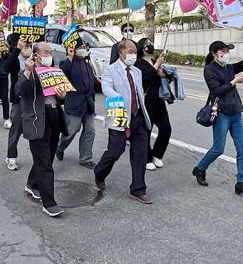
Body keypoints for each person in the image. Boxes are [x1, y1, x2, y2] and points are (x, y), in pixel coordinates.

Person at [192, 35, 243, 201]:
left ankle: (242, 182)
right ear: (215, 54)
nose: (226, 53)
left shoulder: (229, 68)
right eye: (223, 51)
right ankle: (200, 168)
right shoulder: (210, 70)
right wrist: (234, 81)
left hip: (235, 111)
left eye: (227, 51)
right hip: (221, 113)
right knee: (218, 148)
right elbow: (217, 90)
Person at [94, 39, 153, 204]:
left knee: (140, 153)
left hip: (138, 117)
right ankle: (100, 172)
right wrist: (116, 96)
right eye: (131, 51)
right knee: (115, 151)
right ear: (121, 52)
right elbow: (106, 87)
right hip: (119, 114)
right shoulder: (110, 69)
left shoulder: (137, 71)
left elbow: (138, 91)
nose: (134, 54)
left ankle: (138, 189)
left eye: (135, 51)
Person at [16, 42, 68, 217]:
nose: (49, 55)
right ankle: (49, 202)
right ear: (36, 55)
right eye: (46, 52)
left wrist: (62, 96)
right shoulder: (28, 72)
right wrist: (28, 71)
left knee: (47, 156)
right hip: (36, 120)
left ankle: (33, 184)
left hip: (53, 117)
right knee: (44, 162)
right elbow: (19, 91)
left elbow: (59, 96)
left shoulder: (53, 71)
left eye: (50, 52)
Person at [56, 41, 96, 169]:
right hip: (74, 103)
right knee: (72, 130)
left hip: (88, 103)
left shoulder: (86, 63)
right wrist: (70, 57)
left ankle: (85, 158)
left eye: (84, 47)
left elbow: (90, 81)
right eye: (79, 47)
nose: (82, 49)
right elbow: (62, 74)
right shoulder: (67, 63)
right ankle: (59, 147)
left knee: (90, 131)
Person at [134, 38, 170, 171]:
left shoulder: (155, 61)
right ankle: (147, 158)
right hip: (146, 100)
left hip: (159, 99)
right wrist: (157, 65)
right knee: (146, 130)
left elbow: (161, 77)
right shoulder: (138, 62)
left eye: (151, 43)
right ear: (142, 48)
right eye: (147, 44)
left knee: (166, 128)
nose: (151, 46)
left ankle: (157, 154)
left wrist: (163, 73)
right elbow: (146, 76)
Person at [5, 39, 30, 171]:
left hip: (33, 99)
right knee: (16, 129)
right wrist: (17, 50)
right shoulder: (15, 59)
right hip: (19, 100)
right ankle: (11, 157)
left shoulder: (36, 58)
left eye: (29, 45)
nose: (27, 47)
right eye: (25, 45)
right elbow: (6, 68)